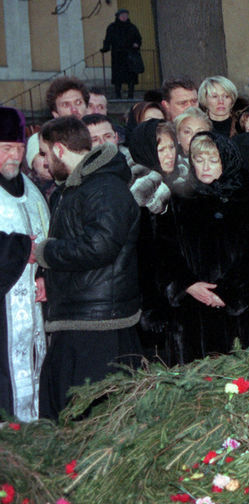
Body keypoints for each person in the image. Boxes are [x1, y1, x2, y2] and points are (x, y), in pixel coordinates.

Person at [35, 116, 141, 421]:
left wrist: (43, 253)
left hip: (98, 325)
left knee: (92, 422)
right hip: (77, 318)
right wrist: (45, 276)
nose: (43, 161)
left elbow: (99, 246)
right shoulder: (73, 188)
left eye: (44, 153)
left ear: (58, 149)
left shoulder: (105, 187)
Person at [159, 132, 249, 362]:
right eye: (199, 160)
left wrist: (227, 293)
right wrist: (188, 285)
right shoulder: (179, 199)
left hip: (241, 314)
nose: (205, 168)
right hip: (192, 314)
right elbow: (165, 252)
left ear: (227, 160)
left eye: (213, 161)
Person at [0, 107, 49, 422]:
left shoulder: (30, 189)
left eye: (19, 148)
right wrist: (22, 250)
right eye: (6, 148)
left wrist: (44, 274)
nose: (15, 156)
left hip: (30, 302)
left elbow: (47, 234)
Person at [127, 119, 183, 364]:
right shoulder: (141, 191)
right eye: (161, 149)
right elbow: (143, 256)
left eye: (172, 147)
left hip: (185, 297)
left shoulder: (185, 180)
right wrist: (151, 308)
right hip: (156, 307)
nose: (169, 154)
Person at [101, 9, 141, 99]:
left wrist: (137, 44)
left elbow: (138, 39)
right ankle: (118, 95)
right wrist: (105, 48)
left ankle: (131, 95)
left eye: (126, 15)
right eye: (122, 15)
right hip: (117, 56)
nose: (124, 17)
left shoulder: (132, 27)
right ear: (118, 16)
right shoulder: (112, 27)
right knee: (118, 77)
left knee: (131, 76)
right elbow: (108, 39)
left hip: (130, 55)